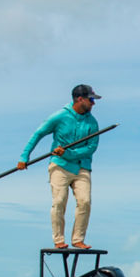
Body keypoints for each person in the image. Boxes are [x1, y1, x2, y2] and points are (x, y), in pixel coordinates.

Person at [17, 84, 102, 249]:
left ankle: (78, 239)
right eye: (91, 100)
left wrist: (68, 153)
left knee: (85, 201)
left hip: (82, 166)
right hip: (60, 166)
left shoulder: (93, 122)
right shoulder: (59, 116)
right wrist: (24, 157)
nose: (93, 104)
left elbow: (91, 148)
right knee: (59, 201)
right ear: (80, 99)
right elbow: (38, 133)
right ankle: (59, 240)